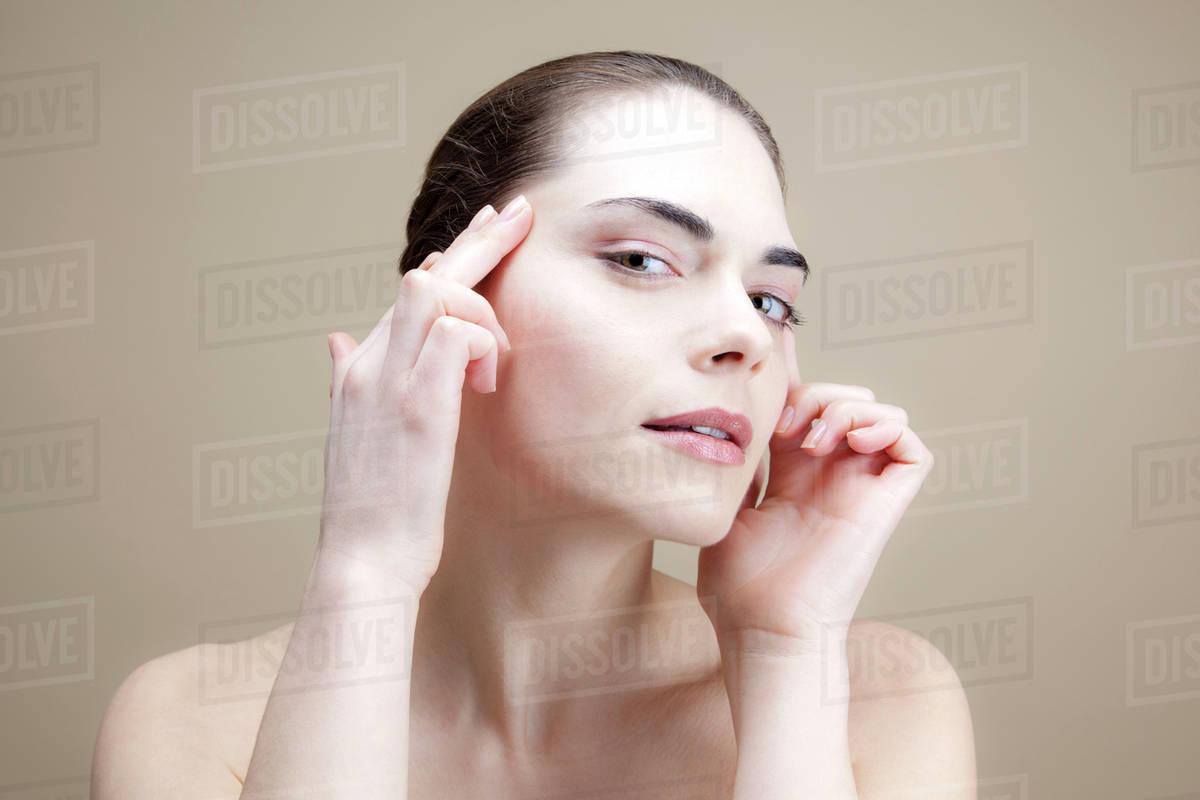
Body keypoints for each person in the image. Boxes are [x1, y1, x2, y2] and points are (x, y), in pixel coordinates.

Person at [91, 50, 975, 799]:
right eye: (642, 259)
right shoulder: (194, 721)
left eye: (774, 301)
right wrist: (364, 572)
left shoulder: (875, 700)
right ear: (453, 297)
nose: (746, 335)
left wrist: (785, 654)